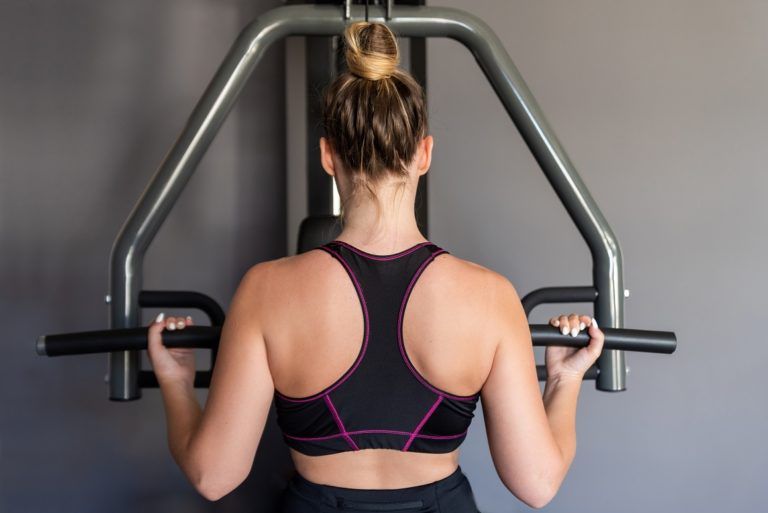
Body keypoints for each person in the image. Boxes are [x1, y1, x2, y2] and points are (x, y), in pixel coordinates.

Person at [146, 20, 605, 512]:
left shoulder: (267, 290)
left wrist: (175, 382)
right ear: (424, 153)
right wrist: (563, 380)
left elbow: (213, 476)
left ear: (327, 155)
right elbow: (536, 485)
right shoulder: (490, 298)